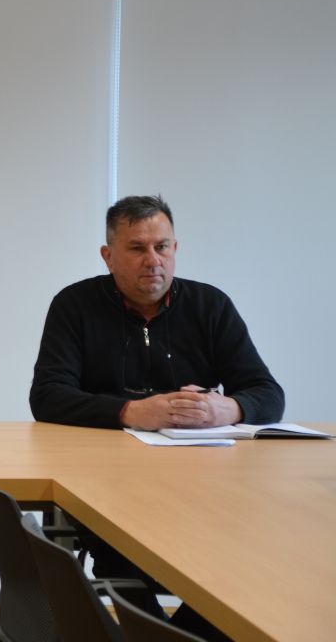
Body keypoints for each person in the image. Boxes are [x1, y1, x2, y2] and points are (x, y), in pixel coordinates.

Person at [30, 194, 284, 640]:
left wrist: (228, 407)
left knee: (248, 561)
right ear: (108, 256)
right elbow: (48, 396)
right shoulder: (75, 305)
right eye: (137, 248)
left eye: (162, 247)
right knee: (118, 553)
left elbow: (267, 392)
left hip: (204, 492)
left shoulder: (210, 305)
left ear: (175, 248)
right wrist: (130, 411)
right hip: (107, 487)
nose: (153, 260)